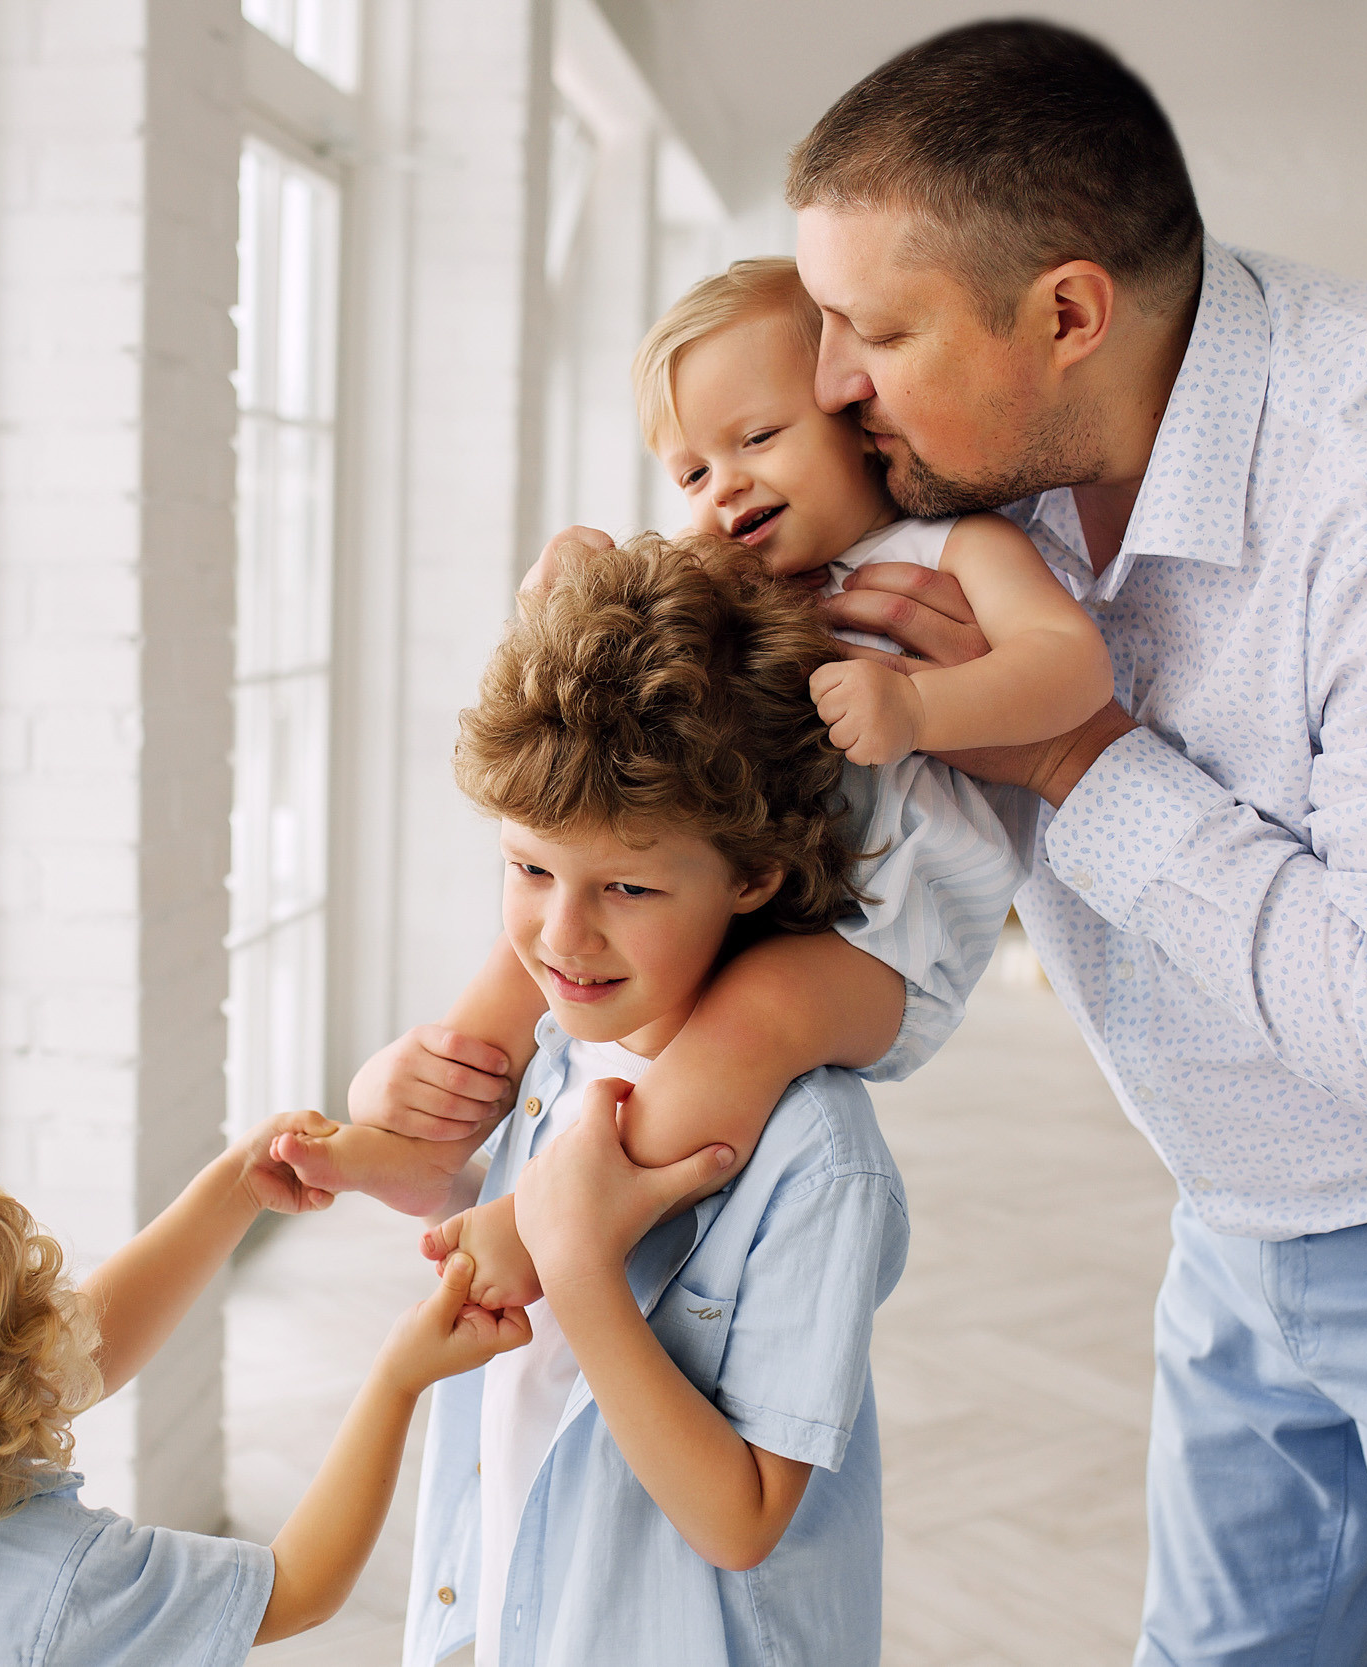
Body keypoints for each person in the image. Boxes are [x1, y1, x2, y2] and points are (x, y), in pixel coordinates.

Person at [783, 19, 1367, 1665]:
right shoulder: (964, 461)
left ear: (1068, 313)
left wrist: (1078, 756)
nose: (827, 383)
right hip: (1241, 1210)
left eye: (873, 328)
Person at [280, 260, 1109, 1309]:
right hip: (731, 889)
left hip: (883, 939)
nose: (723, 488)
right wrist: (563, 580)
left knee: (754, 1016)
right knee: (542, 935)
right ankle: (423, 1138)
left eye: (757, 438)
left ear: (858, 417)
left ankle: (546, 1219)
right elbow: (627, 632)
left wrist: (922, 710)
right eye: (690, 472)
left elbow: (1073, 666)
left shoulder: (958, 546)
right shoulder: (729, 564)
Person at [401, 534, 908, 1667]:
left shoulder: (817, 1154)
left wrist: (576, 1263)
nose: (562, 935)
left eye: (626, 886)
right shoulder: (555, 1053)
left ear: (753, 875)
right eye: (530, 869)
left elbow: (740, 1520)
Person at [0, 1119, 530, 1665]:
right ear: (22, 1359)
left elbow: (86, 1348)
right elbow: (299, 1586)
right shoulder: (70, 1583)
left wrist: (235, 1185)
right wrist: (395, 1377)